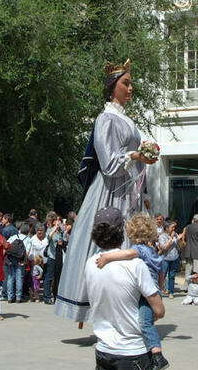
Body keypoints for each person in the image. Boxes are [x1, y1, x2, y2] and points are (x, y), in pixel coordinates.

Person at [55, 59, 156, 322]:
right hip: (110, 190)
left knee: (128, 242)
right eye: (126, 83)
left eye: (131, 83)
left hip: (127, 191)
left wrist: (141, 158)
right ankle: (99, 305)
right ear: (113, 87)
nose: (131, 88)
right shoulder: (105, 119)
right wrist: (135, 154)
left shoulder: (127, 121)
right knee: (105, 241)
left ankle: (124, 305)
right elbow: (109, 164)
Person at [85, 207, 163, 370]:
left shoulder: (91, 263)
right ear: (121, 231)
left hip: (104, 348)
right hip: (134, 350)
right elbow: (159, 310)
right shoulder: (136, 265)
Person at [96, 214, 168, 370]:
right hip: (154, 290)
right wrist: (162, 289)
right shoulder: (152, 251)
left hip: (146, 293)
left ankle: (157, 356)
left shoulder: (138, 250)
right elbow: (161, 272)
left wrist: (107, 257)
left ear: (131, 234)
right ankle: (152, 353)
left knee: (144, 323)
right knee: (146, 321)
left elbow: (126, 254)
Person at [3, 220, 30, 304]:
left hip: (11, 258)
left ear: (20, 230)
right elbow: (27, 253)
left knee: (10, 277)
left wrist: (5, 259)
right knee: (19, 277)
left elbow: (6, 247)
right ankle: (18, 297)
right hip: (20, 259)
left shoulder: (14, 236)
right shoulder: (28, 239)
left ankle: (10, 297)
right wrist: (24, 261)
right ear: (28, 231)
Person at [158, 221, 180, 298]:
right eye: (172, 227)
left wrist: (179, 239)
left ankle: (171, 291)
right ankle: (160, 289)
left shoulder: (175, 235)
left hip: (175, 257)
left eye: (174, 227)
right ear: (167, 228)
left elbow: (179, 245)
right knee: (163, 274)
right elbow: (164, 247)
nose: (173, 229)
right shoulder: (162, 236)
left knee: (172, 275)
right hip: (165, 258)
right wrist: (171, 238)